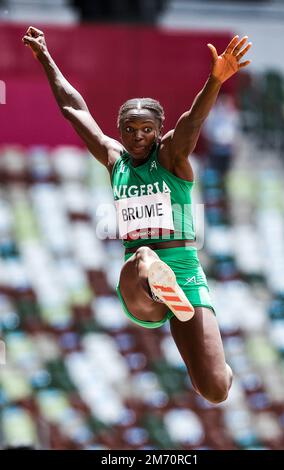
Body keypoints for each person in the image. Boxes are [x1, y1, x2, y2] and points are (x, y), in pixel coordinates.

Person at [23, 26, 251, 403]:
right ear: (120, 132)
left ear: (160, 131)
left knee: (214, 390)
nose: (138, 136)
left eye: (147, 129)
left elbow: (193, 121)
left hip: (185, 270)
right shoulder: (115, 161)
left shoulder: (171, 157)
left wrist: (215, 81)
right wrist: (46, 57)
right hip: (137, 274)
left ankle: (207, 348)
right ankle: (155, 277)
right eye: (129, 129)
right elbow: (72, 108)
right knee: (145, 256)